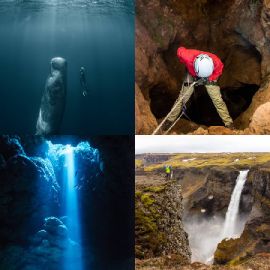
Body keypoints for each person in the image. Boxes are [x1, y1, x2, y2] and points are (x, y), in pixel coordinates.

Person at [163, 47, 234, 132]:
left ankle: (229, 123)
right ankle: (169, 120)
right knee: (183, 98)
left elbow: (218, 73)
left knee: (217, 99)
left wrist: (208, 78)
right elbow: (179, 50)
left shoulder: (217, 63)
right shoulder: (187, 56)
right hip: (191, 73)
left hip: (209, 77)